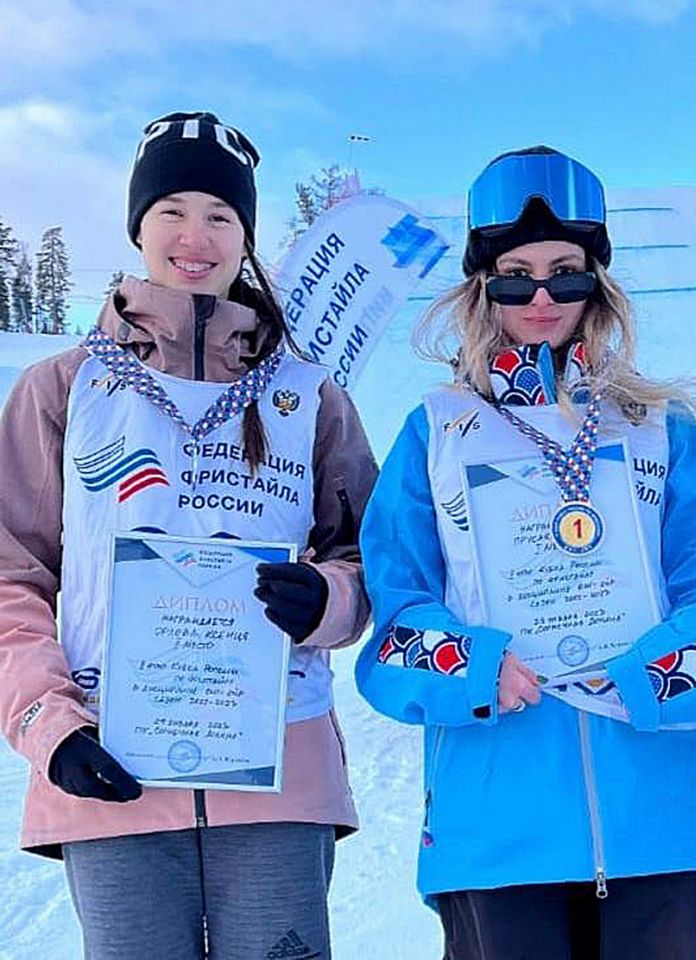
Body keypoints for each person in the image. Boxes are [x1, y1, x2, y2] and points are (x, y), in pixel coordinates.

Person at [356, 145, 696, 960]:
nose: (542, 297)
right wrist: (472, 667)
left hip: (661, 824)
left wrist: (658, 674)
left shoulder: (658, 427)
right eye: (516, 276)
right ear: (483, 286)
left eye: (566, 274)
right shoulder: (436, 432)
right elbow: (395, 620)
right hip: (496, 830)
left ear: (598, 284)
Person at [0, 111, 378, 958]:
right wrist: (48, 725)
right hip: (112, 767)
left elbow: (368, 557)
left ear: (247, 235)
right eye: (171, 210)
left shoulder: (309, 395)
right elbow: (10, 577)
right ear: (139, 225)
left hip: (277, 769)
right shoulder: (62, 388)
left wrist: (326, 599)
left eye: (220, 214)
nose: (194, 236)